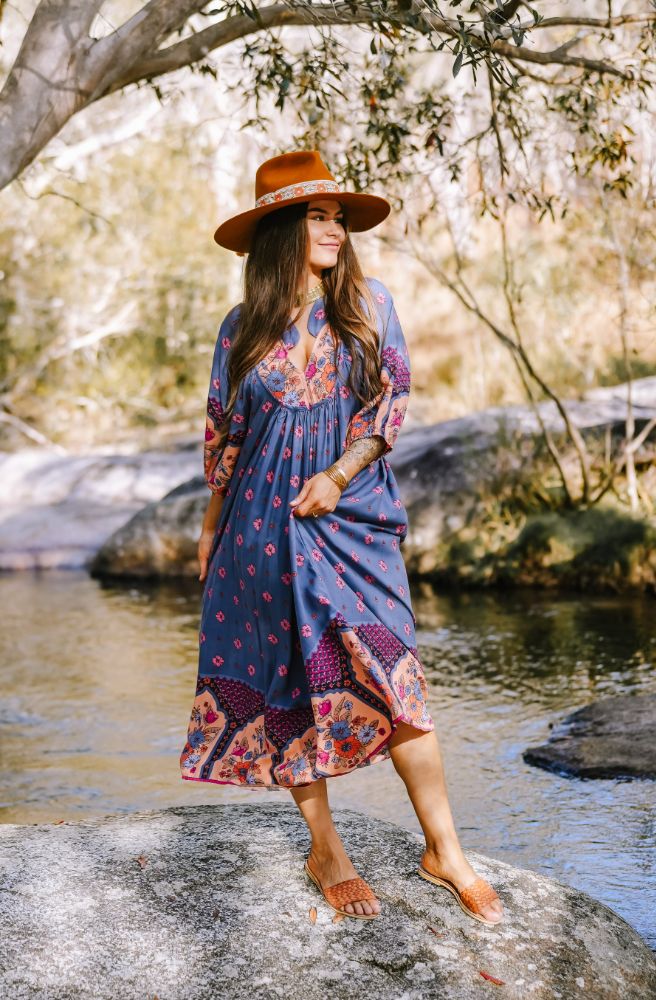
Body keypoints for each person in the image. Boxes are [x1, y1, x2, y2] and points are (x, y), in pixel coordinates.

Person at [179, 150, 503, 925]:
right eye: (317, 216)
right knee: (286, 685)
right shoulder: (242, 328)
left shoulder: (368, 303)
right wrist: (210, 527)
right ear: (283, 230)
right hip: (259, 531)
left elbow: (390, 404)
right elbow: (224, 435)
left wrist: (338, 475)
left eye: (337, 217)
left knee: (398, 681)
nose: (333, 229)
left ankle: (444, 850)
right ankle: (325, 847)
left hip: (351, 520)